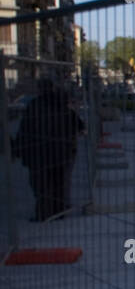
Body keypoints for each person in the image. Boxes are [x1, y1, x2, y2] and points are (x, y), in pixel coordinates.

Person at [13, 78, 83, 221]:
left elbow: (25, 130)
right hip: (62, 153)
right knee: (59, 185)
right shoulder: (63, 106)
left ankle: (44, 214)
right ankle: (59, 212)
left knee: (42, 187)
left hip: (40, 155)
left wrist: (18, 150)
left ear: (40, 89)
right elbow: (80, 126)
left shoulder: (34, 106)